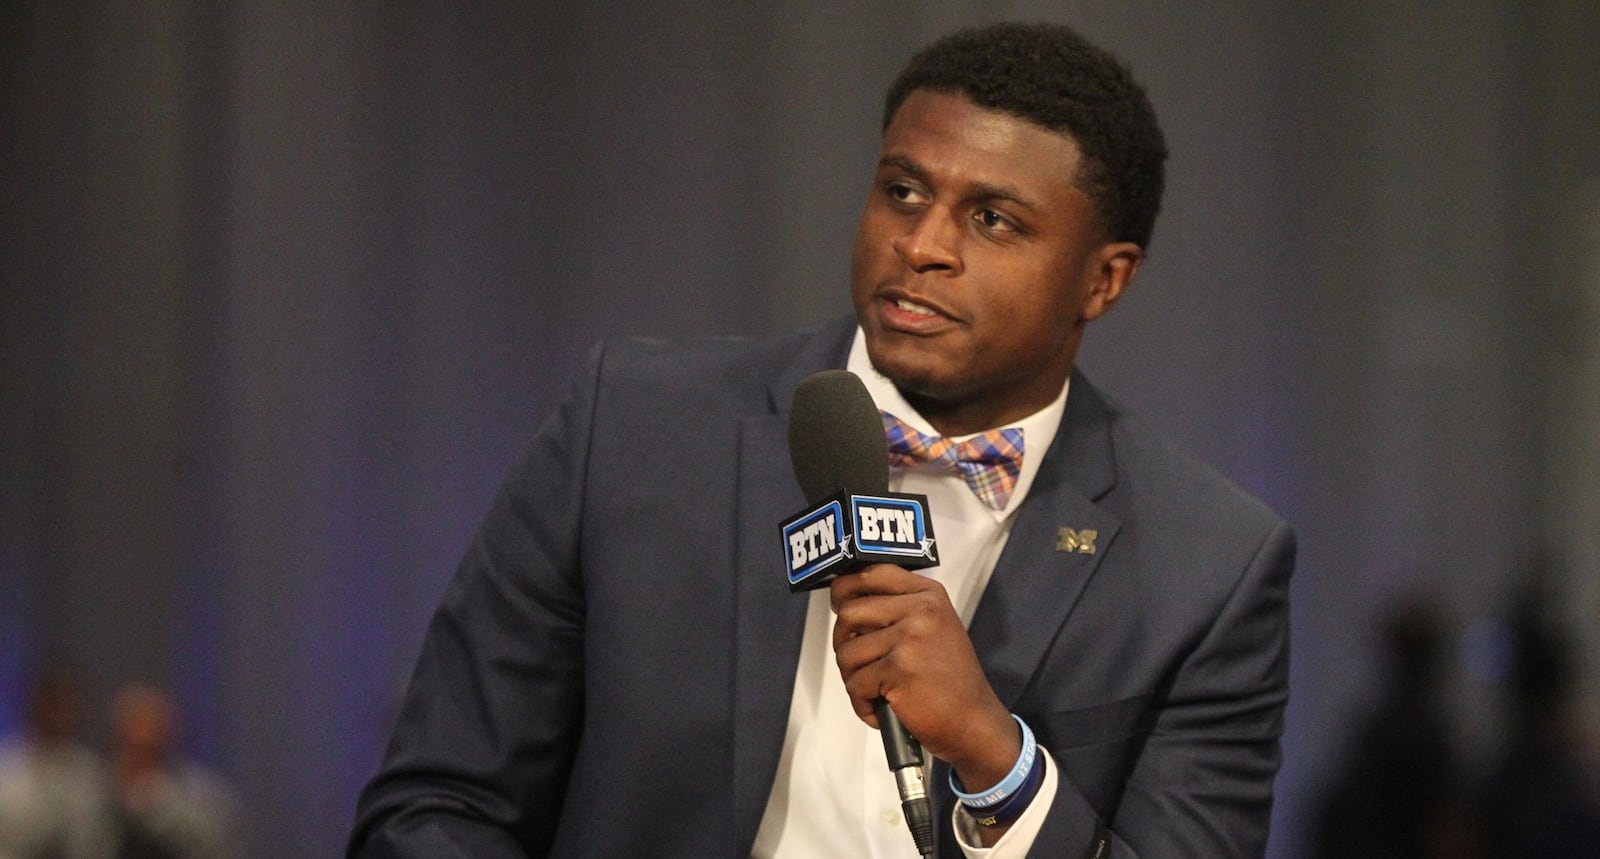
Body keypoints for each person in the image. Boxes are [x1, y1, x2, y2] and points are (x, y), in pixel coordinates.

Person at [349, 21, 1294, 858]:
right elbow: (440, 800)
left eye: (992, 218)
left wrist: (996, 758)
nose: (921, 243)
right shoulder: (633, 426)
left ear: (1103, 281)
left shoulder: (1207, 565)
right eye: (902, 190)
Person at [105, 683, 240, 859]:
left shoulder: (201, 793)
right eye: (131, 746)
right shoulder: (93, 787)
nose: (139, 758)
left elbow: (215, 843)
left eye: (149, 750)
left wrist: (148, 796)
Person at [0, 667, 116, 859]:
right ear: (36, 705)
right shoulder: (6, 769)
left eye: (64, 704)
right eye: (51, 704)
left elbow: (99, 843)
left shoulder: (92, 774)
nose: (57, 714)